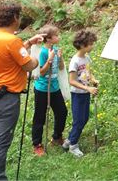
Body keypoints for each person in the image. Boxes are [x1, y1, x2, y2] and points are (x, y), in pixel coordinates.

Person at [0, 1, 44, 181]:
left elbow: (11, 55)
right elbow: (28, 65)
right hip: (7, 99)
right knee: (0, 144)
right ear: (14, 17)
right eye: (19, 16)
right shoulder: (13, 40)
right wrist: (36, 60)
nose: (19, 19)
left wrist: (28, 42)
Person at [31, 24, 68, 156]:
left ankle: (57, 137)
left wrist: (60, 57)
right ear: (49, 39)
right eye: (56, 35)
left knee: (62, 112)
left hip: (54, 87)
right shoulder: (43, 52)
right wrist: (50, 59)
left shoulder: (56, 49)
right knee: (39, 117)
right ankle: (37, 144)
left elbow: (61, 67)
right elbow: (40, 72)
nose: (58, 37)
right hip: (42, 89)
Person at [63, 29, 99, 157]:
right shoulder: (75, 61)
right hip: (78, 94)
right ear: (83, 45)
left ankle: (68, 140)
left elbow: (88, 73)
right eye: (91, 43)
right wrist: (87, 88)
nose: (93, 46)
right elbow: (71, 81)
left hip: (85, 93)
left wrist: (93, 80)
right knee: (78, 120)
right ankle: (73, 145)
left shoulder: (87, 58)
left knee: (84, 118)